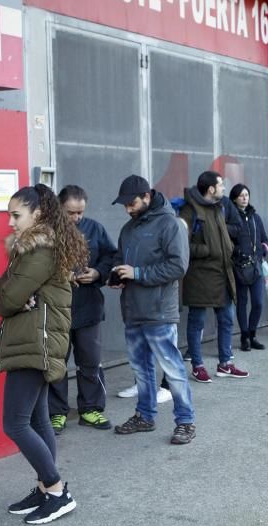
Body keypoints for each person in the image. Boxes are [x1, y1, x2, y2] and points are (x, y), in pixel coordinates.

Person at [0, 184, 86, 524]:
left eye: (16, 215)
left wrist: (10, 296)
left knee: (14, 423)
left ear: (38, 213)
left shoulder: (40, 252)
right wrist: (8, 293)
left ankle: (57, 491)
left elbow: (5, 300)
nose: (11, 222)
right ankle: (46, 488)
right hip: (35, 340)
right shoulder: (31, 250)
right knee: (39, 419)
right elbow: (0, 288)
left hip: (36, 342)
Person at [109, 175, 197, 445]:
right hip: (133, 309)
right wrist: (117, 274)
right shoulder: (128, 228)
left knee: (172, 370)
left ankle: (186, 422)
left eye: (132, 203)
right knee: (140, 369)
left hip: (159, 311)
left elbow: (178, 267)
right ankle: (145, 416)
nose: (128, 209)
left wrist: (137, 273)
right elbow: (120, 257)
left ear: (147, 196)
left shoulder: (170, 224)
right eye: (124, 205)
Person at [46, 185, 118, 434]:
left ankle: (91, 409)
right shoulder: (46, 232)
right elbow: (34, 266)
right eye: (71, 213)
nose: (76, 218)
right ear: (59, 207)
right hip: (57, 309)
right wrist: (59, 275)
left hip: (89, 306)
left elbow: (111, 257)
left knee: (91, 362)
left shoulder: (95, 228)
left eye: (80, 213)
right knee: (56, 364)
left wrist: (98, 272)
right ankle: (56, 413)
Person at [180, 171, 248, 382]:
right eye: (221, 185)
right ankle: (197, 365)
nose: (224, 188)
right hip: (200, 275)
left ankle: (225, 363)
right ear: (210, 189)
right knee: (196, 322)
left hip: (223, 273)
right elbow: (182, 243)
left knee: (226, 319)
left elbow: (225, 235)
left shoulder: (219, 207)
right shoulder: (189, 210)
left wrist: (229, 249)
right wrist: (207, 250)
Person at [229, 183, 268, 351]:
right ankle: (244, 337)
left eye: (246, 194)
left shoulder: (255, 217)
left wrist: (263, 250)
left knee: (258, 303)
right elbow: (228, 242)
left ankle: (253, 335)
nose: (244, 198)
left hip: (256, 267)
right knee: (242, 302)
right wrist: (238, 252)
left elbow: (265, 239)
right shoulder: (230, 218)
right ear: (234, 198)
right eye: (241, 195)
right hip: (239, 267)